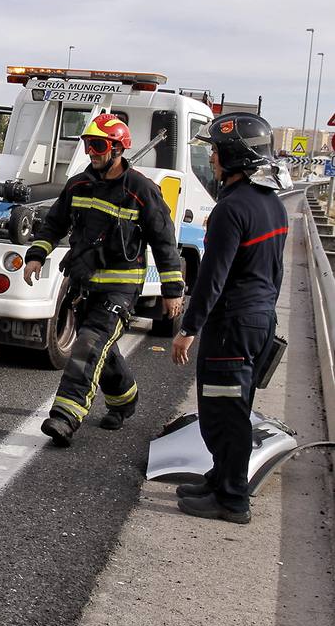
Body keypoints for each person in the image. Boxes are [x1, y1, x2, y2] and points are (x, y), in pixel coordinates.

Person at [23, 113, 185, 446]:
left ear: (118, 149)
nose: (92, 152)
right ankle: (125, 401)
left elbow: (165, 241)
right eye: (88, 145)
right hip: (84, 285)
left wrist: (172, 290)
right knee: (102, 351)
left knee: (89, 344)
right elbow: (54, 223)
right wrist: (36, 255)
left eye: (98, 145)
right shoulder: (79, 184)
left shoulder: (141, 190)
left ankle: (66, 416)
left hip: (121, 288)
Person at [171, 113, 288, 525]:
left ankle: (232, 501)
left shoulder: (230, 209)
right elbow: (274, 272)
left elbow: (211, 277)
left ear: (234, 157)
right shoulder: (272, 204)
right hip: (258, 320)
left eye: (216, 154)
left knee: (225, 414)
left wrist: (188, 328)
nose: (213, 162)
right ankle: (219, 479)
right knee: (235, 406)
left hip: (232, 326)